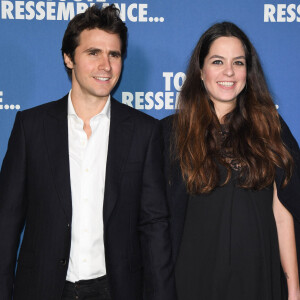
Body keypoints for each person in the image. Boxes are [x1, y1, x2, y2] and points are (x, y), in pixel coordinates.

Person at [0, 4, 176, 300]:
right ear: (69, 58)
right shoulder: (31, 127)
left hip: (115, 290)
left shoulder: (144, 132)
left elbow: (154, 226)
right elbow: (6, 223)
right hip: (42, 289)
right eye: (93, 53)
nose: (105, 65)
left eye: (114, 54)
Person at [162, 22, 300, 300]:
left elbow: (283, 215)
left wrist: (294, 290)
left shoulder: (271, 128)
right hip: (194, 280)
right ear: (201, 72)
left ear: (248, 72)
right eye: (217, 61)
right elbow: (158, 222)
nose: (229, 71)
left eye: (238, 62)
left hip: (258, 277)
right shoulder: (170, 133)